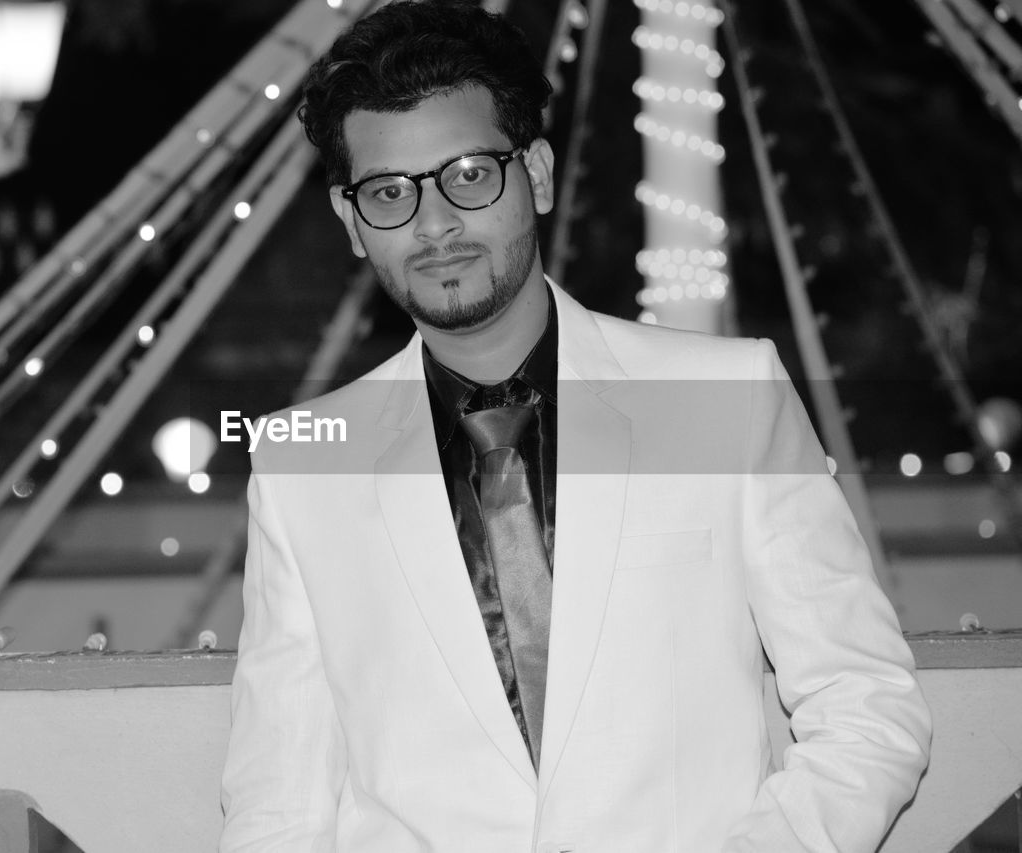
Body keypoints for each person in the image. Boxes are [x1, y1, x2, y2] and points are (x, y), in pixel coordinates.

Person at [219, 2, 931, 850]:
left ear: (540, 175)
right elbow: (277, 798)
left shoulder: (727, 394)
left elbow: (866, 699)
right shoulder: (303, 465)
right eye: (389, 193)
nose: (435, 222)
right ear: (350, 221)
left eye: (471, 173)